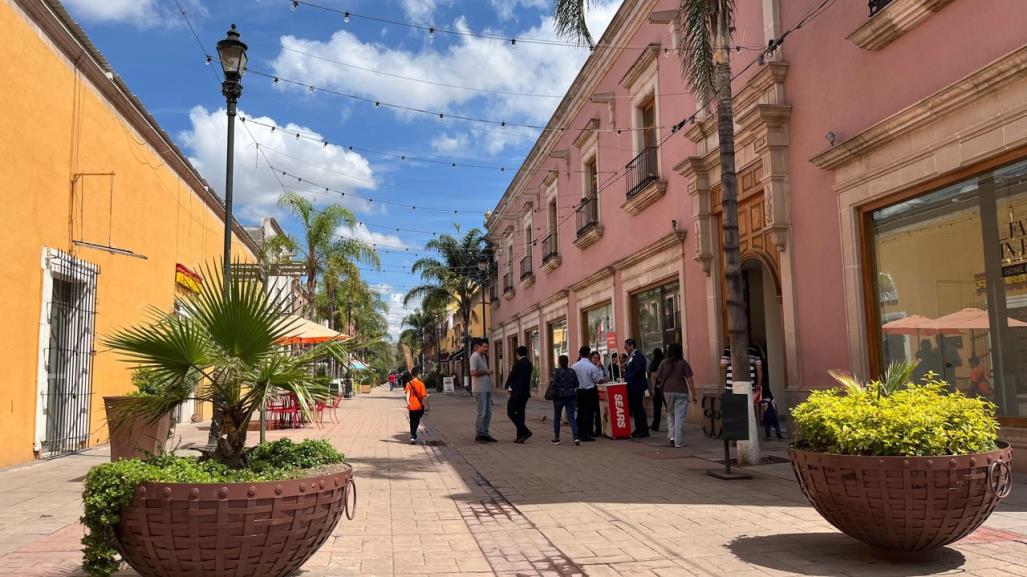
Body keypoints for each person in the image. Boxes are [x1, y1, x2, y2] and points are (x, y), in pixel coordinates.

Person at [655, 342, 696, 448]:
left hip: (667, 392)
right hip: (681, 392)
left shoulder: (664, 363)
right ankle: (679, 442)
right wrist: (694, 394)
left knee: (670, 414)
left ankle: (672, 436)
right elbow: (690, 380)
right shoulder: (683, 363)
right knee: (679, 417)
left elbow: (658, 377)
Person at [571, 346, 607, 442]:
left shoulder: (574, 366)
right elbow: (597, 380)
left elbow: (572, 380)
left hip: (579, 391)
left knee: (580, 413)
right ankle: (586, 433)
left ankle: (578, 433)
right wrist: (604, 380)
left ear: (580, 353)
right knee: (589, 413)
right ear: (588, 354)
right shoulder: (592, 367)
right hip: (589, 391)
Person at [504, 346, 534, 443]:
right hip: (525, 392)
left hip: (517, 392)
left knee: (510, 411)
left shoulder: (518, 364)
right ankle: (520, 436)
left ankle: (525, 431)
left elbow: (512, 375)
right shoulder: (529, 364)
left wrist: (507, 385)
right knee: (521, 413)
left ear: (518, 354)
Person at [470, 339, 497, 443]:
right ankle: (479, 434)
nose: (486, 348)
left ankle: (485, 433)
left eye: (487, 346)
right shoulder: (474, 356)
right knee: (482, 412)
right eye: (484, 346)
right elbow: (473, 372)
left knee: (489, 412)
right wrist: (486, 371)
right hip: (479, 389)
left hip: (486, 388)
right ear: (478, 346)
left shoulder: (483, 357)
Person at [549, 354, 580, 445]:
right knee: (571, 418)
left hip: (559, 397)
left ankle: (557, 438)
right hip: (570, 396)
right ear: (567, 362)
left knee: (557, 418)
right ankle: (576, 437)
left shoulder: (556, 371)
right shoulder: (572, 371)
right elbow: (577, 384)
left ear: (559, 362)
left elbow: (553, 384)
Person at [624, 339, 650, 438]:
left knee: (638, 408)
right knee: (635, 409)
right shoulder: (631, 357)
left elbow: (638, 372)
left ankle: (643, 429)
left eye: (626, 346)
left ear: (631, 346)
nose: (625, 349)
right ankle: (639, 428)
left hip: (636, 386)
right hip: (631, 386)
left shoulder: (638, 356)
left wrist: (628, 377)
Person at [405, 367, 429, 444]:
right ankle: (413, 435)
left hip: (411, 406)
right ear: (417, 374)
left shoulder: (408, 384)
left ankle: (412, 435)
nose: (421, 375)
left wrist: (408, 402)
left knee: (412, 421)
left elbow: (407, 394)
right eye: (420, 374)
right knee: (416, 421)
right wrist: (427, 406)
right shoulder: (421, 384)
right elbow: (424, 396)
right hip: (419, 406)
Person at [648, 347, 665, 431]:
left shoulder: (654, 363)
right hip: (665, 387)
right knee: (669, 407)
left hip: (657, 388)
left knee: (657, 407)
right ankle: (673, 424)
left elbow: (653, 377)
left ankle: (655, 425)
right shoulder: (664, 362)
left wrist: (653, 389)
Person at [590, 351, 606, 436]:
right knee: (593, 411)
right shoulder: (591, 367)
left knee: (599, 411)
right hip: (593, 390)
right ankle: (591, 430)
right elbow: (596, 379)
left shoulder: (601, 367)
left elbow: (607, 375)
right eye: (594, 358)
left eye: (598, 358)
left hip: (602, 390)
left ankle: (599, 429)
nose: (596, 360)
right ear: (591, 358)